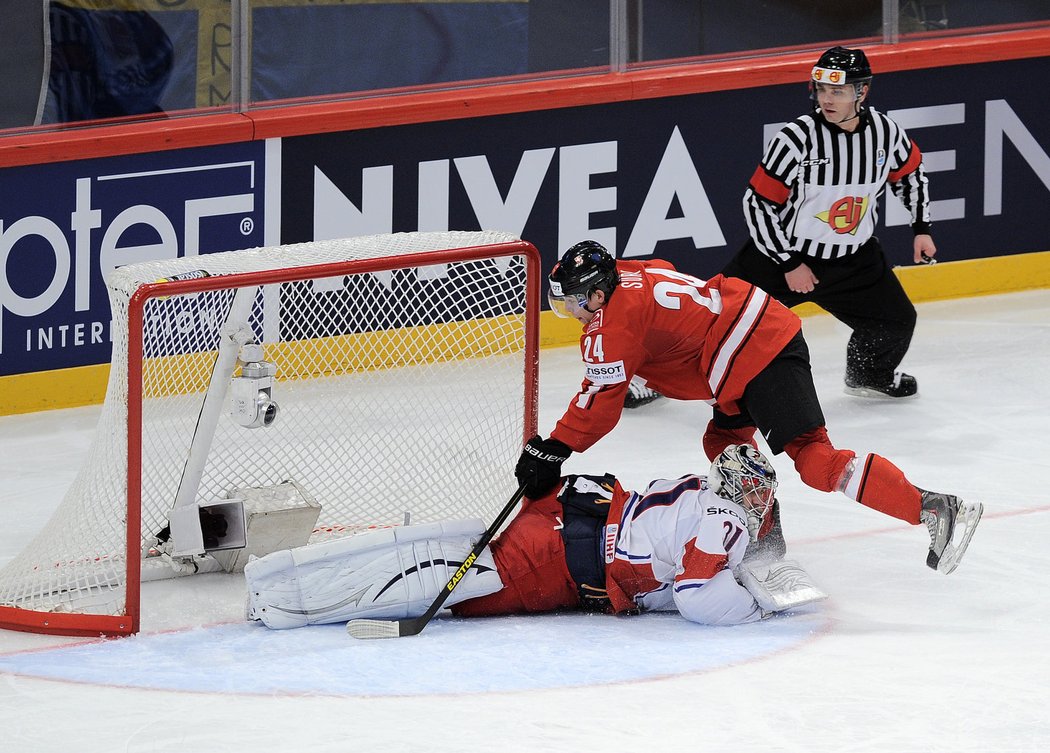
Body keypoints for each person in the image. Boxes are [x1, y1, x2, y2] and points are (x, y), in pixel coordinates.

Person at [514, 240, 982, 577]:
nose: (571, 314)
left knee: (815, 460)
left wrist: (553, 447)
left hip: (754, 350)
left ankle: (932, 508)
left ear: (597, 295)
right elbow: (666, 280)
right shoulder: (630, 272)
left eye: (572, 303)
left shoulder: (610, 326)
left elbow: (599, 405)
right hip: (747, 337)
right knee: (724, 441)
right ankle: (765, 538)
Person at [244, 445, 822, 630]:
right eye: (755, 494)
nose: (758, 504)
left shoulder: (697, 485)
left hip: (567, 512)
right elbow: (697, 593)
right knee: (442, 591)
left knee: (439, 558)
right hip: (557, 563)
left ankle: (284, 583)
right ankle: (288, 601)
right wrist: (755, 610)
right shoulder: (723, 516)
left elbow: (668, 566)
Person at [724, 46, 935, 399]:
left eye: (836, 91)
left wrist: (921, 228)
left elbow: (910, 176)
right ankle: (652, 376)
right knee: (716, 315)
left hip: (856, 260)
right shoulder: (796, 138)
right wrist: (789, 262)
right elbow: (757, 203)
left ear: (861, 92)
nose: (826, 98)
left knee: (895, 321)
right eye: (821, 89)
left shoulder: (885, 132)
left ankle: (869, 373)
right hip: (784, 258)